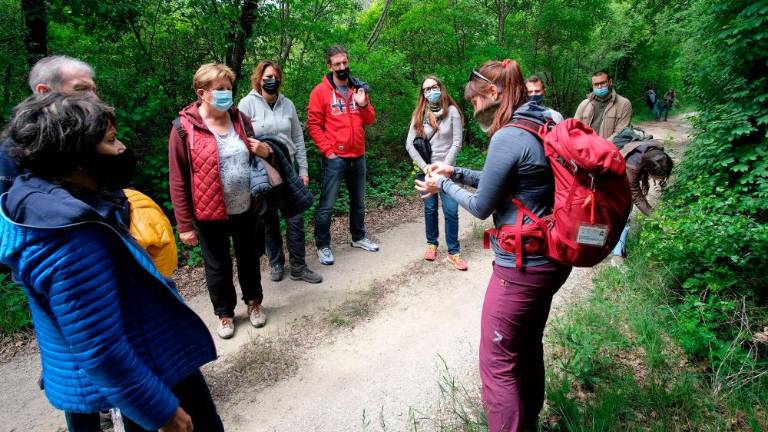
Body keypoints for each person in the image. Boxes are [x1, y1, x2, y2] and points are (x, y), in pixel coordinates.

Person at [0, 92, 223, 432]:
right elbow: (100, 348)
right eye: (110, 140)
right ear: (76, 158)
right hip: (140, 380)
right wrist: (160, 411)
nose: (121, 148)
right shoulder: (72, 237)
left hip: (147, 360)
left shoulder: (48, 202)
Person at [416, 59, 572, 432]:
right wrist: (456, 172)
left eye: (474, 102)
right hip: (552, 257)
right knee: (527, 345)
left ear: (493, 92)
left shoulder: (508, 136)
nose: (473, 109)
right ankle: (529, 421)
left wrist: (442, 186)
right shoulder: (540, 122)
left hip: (522, 267)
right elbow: (507, 180)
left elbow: (482, 205)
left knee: (497, 361)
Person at [169, 63, 273, 338]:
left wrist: (264, 151)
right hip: (208, 211)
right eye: (220, 89)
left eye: (229, 88)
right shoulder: (184, 129)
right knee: (217, 266)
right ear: (202, 93)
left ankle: (254, 302)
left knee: (249, 258)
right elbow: (178, 179)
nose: (227, 93)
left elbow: (257, 157)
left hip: (245, 205)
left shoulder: (239, 119)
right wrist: (184, 225)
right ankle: (225, 313)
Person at [238, 61, 323, 284]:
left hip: (288, 167)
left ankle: (299, 266)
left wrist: (303, 169)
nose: (271, 80)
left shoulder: (288, 104)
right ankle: (276, 262)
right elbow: (241, 141)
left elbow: (298, 138)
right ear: (259, 78)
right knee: (268, 219)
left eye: (275, 76)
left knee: (295, 217)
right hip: (263, 170)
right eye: (267, 76)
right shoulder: (246, 105)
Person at [308, 45, 379, 265]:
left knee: (358, 201)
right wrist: (328, 152)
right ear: (329, 66)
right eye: (337, 64)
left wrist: (363, 103)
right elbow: (314, 125)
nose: (342, 67)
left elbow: (370, 119)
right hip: (335, 158)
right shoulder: (320, 92)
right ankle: (322, 245)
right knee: (327, 204)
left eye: (345, 63)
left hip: (358, 154)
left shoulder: (358, 88)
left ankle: (357, 237)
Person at [0, 55, 96, 195]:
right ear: (43, 92)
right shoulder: (13, 149)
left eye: (94, 90)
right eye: (81, 89)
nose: (94, 98)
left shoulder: (93, 137)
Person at [405, 75, 467, 270]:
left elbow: (457, 141)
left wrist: (445, 167)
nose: (431, 91)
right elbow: (409, 144)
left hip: (447, 172)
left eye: (434, 86)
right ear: (423, 94)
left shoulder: (453, 112)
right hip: (427, 170)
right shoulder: (419, 114)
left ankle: (454, 253)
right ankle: (432, 244)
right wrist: (425, 167)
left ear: (441, 87)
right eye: (427, 89)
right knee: (430, 209)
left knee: (451, 210)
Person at [611, 140, 673, 258]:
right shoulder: (632, 166)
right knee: (624, 215)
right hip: (612, 177)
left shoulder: (658, 153)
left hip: (627, 172)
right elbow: (636, 196)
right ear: (647, 169)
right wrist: (656, 216)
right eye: (658, 177)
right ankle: (617, 254)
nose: (660, 180)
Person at [574, 70, 632, 140]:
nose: (599, 87)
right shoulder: (584, 104)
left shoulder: (624, 104)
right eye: (596, 84)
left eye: (602, 83)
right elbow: (575, 128)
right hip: (585, 147)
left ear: (610, 82)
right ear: (592, 85)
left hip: (610, 148)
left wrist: (600, 147)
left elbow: (621, 134)